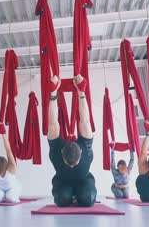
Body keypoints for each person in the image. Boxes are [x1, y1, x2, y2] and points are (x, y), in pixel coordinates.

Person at [48, 75, 96, 207]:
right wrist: (53, 92)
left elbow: (85, 120)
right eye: (69, 164)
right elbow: (53, 122)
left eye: (73, 163)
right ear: (62, 152)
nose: (72, 166)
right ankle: (70, 196)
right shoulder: (56, 148)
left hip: (84, 181)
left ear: (80, 151)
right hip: (63, 182)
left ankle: (79, 195)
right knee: (62, 200)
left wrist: (81, 92)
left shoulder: (85, 146)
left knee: (88, 199)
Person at [0, 126, 21, 203]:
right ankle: (2, 196)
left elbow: (8, 150)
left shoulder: (11, 169)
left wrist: (3, 133)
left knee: (11, 198)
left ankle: (7, 196)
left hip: (12, 188)